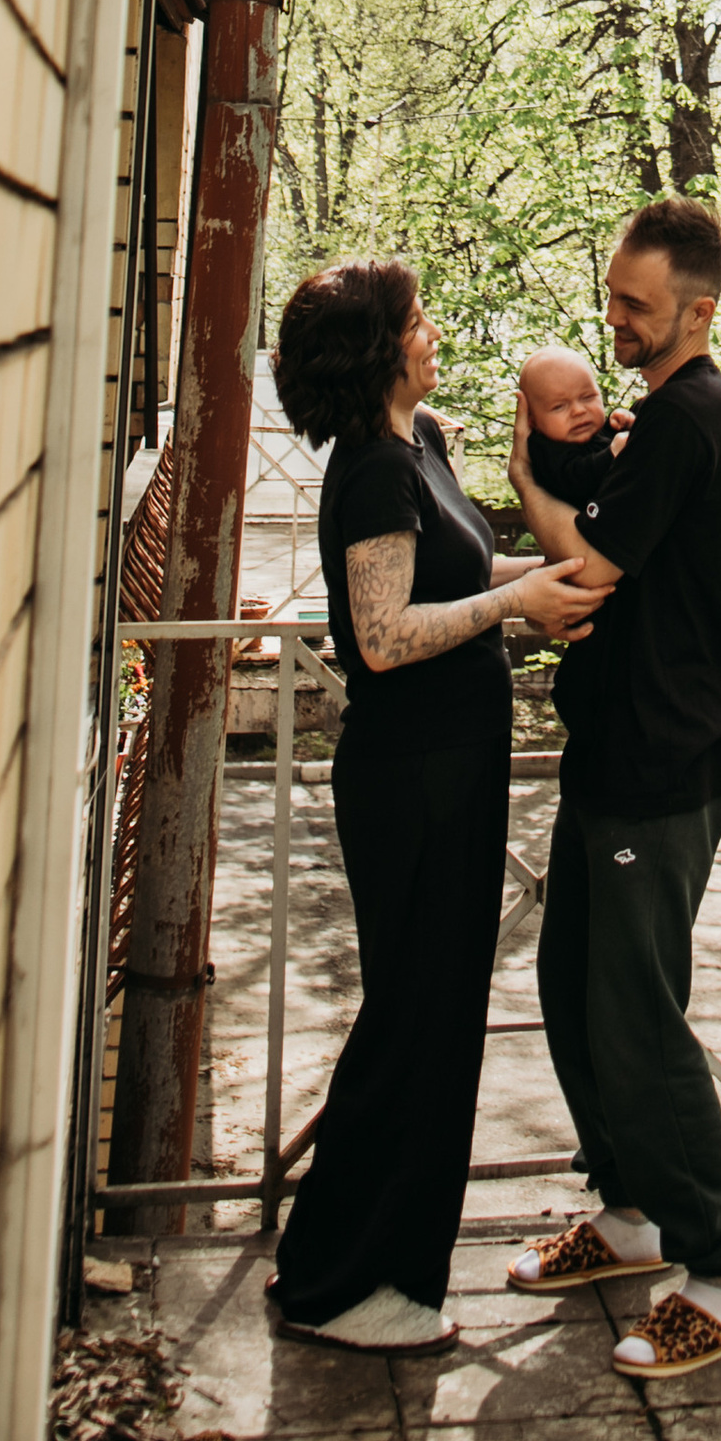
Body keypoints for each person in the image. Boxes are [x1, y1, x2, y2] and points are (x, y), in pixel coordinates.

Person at [266, 257, 605, 1350]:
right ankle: (338, 1282)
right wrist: (516, 601)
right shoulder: (370, 468)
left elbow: (461, 571)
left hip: (454, 770)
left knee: (437, 1020)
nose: (434, 329)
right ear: (379, 349)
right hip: (409, 781)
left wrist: (537, 541)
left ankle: (378, 1272)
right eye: (417, 321)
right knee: (411, 1026)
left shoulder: (421, 443)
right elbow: (382, 637)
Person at [502, 197, 721, 1377]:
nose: (615, 320)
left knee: (637, 1019)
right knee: (573, 986)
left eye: (636, 306)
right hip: (615, 754)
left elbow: (584, 567)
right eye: (611, 297)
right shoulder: (654, 420)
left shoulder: (688, 420)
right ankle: (627, 1218)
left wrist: (522, 469)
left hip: (663, 769)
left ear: (696, 312)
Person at [516, 342, 628, 505]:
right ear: (532, 421)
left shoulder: (585, 434)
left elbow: (597, 445)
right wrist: (611, 454)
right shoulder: (545, 451)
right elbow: (577, 479)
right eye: (559, 406)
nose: (579, 411)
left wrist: (612, 426)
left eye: (588, 397)